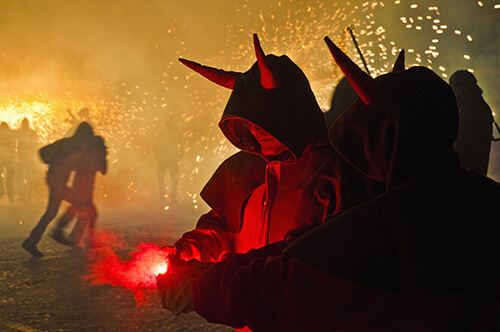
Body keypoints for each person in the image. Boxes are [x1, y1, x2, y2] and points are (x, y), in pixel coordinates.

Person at [157, 37, 500, 331]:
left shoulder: (387, 212)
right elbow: (295, 252)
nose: (257, 136)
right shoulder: (479, 200)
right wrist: (195, 254)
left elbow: (302, 273)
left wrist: (204, 287)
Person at [169, 34, 379, 267]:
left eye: (265, 120)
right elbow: (220, 228)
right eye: (251, 121)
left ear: (291, 114)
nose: (256, 130)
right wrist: (189, 249)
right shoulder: (240, 170)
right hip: (242, 298)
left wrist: (238, 274)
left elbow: (320, 256)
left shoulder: (337, 174)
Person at [22, 122, 98, 257]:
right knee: (76, 206)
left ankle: (32, 241)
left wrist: (52, 162)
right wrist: (53, 162)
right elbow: (43, 152)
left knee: (52, 212)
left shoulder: (66, 143)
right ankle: (60, 234)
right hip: (58, 182)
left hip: (55, 179)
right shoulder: (74, 145)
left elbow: (44, 152)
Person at [50, 122, 107, 248]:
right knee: (85, 211)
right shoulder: (95, 152)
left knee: (80, 210)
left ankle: (75, 237)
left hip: (78, 184)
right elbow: (103, 170)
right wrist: (103, 157)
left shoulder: (82, 150)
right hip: (85, 186)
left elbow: (72, 166)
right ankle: (81, 237)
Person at [450, 70, 495, 176]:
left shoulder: (469, 111)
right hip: (475, 179)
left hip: (464, 179)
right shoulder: (481, 109)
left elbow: (460, 152)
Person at [154, 119, 183, 201]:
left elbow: (156, 144)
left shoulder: (164, 133)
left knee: (163, 177)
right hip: (169, 158)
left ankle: (165, 194)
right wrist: (180, 154)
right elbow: (181, 145)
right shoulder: (174, 134)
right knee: (172, 177)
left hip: (166, 158)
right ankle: (171, 195)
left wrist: (156, 154)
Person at [16, 118, 39, 202]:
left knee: (21, 177)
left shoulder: (19, 132)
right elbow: (36, 143)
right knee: (28, 177)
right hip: (28, 158)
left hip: (22, 158)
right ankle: (27, 194)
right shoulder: (32, 133)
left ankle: (24, 195)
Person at [0, 121, 17, 203]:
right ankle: (10, 195)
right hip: (10, 158)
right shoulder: (12, 133)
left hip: (2, 158)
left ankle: (1, 192)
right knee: (10, 178)